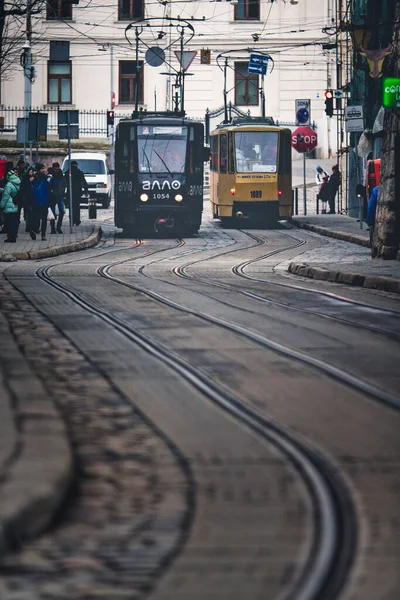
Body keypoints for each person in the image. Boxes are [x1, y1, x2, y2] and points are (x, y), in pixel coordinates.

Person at [0, 162, 21, 243]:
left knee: (8, 223)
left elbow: (5, 196)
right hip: (15, 204)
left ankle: (11, 237)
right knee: (14, 221)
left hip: (8, 206)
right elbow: (10, 191)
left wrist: (1, 205)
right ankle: (13, 236)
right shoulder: (17, 182)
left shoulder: (9, 184)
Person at [31, 163, 52, 241]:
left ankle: (43, 234)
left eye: (44, 168)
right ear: (38, 170)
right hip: (36, 201)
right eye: (42, 169)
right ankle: (34, 230)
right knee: (36, 218)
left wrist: (51, 179)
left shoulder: (46, 178)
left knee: (44, 219)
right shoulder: (34, 178)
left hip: (45, 201)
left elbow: (53, 186)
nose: (43, 170)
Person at [65, 160, 88, 225]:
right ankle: (77, 220)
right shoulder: (79, 172)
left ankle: (72, 220)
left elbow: (65, 182)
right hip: (77, 192)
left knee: (71, 207)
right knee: (76, 206)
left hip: (70, 192)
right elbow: (84, 182)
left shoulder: (68, 172)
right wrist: (86, 191)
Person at [48, 162, 65, 234]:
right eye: (55, 169)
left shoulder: (61, 175)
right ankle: (52, 228)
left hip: (60, 195)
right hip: (52, 196)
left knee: (62, 211)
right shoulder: (50, 175)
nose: (56, 170)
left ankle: (58, 227)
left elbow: (63, 184)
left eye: (57, 169)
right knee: (52, 213)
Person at [19, 167, 36, 239]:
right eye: (30, 172)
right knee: (27, 213)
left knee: (32, 213)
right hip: (26, 198)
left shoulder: (35, 179)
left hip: (33, 198)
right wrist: (29, 181)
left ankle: (32, 226)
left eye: (32, 172)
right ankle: (28, 226)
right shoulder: (25, 179)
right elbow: (22, 185)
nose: (31, 173)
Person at [366, 184, 379, 257]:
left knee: (374, 239)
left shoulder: (376, 190)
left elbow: (371, 207)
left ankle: (375, 252)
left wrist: (369, 221)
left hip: (375, 220)